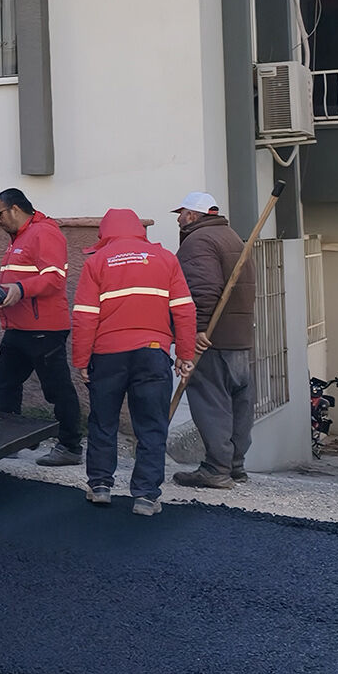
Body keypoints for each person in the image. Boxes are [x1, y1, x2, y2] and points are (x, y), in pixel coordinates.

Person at [70, 209, 197, 516]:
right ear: (139, 231)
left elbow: (85, 317)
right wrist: (185, 354)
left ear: (105, 234)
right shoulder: (166, 259)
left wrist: (81, 359)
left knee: (103, 422)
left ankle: (100, 486)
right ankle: (145, 496)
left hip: (107, 354)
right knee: (152, 426)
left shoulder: (96, 262)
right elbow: (184, 309)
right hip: (152, 353)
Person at [0, 188, 82, 466]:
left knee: (57, 388)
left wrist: (20, 288)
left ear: (15, 209)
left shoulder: (44, 233)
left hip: (44, 329)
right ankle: (13, 438)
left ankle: (70, 446)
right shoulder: (20, 237)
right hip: (19, 327)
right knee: (4, 382)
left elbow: (54, 278)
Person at [171, 192, 255, 489]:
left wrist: (197, 331)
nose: (179, 219)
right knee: (238, 404)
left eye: (181, 213)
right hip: (240, 336)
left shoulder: (198, 243)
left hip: (214, 339)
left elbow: (202, 290)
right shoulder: (231, 237)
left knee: (211, 402)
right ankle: (235, 467)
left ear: (193, 215)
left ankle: (216, 468)